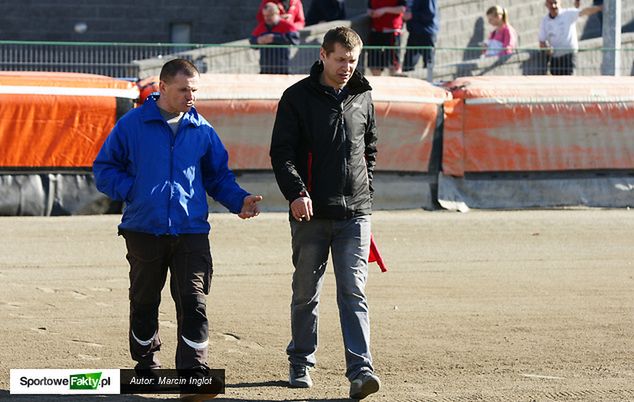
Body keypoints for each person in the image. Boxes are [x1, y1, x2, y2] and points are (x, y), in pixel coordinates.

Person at [93, 59, 262, 399]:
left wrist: (239, 201)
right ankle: (147, 365)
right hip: (143, 229)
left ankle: (194, 375)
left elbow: (218, 178)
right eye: (184, 89)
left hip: (191, 230)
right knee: (144, 301)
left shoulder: (202, 130)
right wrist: (133, 190)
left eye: (195, 90)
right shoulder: (132, 125)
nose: (191, 96)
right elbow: (104, 168)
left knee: (194, 301)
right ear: (163, 87)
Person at [269, 26, 380, 400]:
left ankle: (361, 372)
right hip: (309, 214)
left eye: (352, 60)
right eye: (340, 59)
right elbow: (281, 153)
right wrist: (297, 192)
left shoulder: (364, 95)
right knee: (306, 292)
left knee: (354, 291)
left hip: (356, 214)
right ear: (322, 55)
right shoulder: (296, 98)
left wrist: (366, 190)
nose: (347, 67)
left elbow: (370, 148)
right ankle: (300, 360)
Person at [539, 0, 602, 75]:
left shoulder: (568, 14)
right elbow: (542, 41)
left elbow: (585, 11)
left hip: (569, 55)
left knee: (569, 81)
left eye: (555, 3)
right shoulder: (545, 21)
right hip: (555, 58)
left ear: (560, 2)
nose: (553, 6)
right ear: (546, 5)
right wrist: (547, 49)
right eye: (550, 3)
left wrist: (600, 8)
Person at [250, 2, 300, 74]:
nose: (267, 18)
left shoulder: (286, 25)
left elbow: (295, 40)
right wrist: (258, 40)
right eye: (265, 16)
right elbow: (252, 41)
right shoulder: (261, 26)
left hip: (282, 68)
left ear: (277, 13)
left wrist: (274, 38)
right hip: (265, 68)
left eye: (270, 15)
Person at [367, 0, 407, 76]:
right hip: (376, 31)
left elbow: (402, 8)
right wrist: (371, 12)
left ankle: (394, 85)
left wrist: (384, 10)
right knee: (375, 64)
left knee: (393, 65)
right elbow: (369, 8)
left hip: (391, 31)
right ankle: (378, 84)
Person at [402, 0, 439, 72]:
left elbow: (430, 14)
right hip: (414, 32)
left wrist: (412, 15)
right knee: (407, 65)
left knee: (428, 63)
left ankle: (429, 81)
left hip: (426, 32)